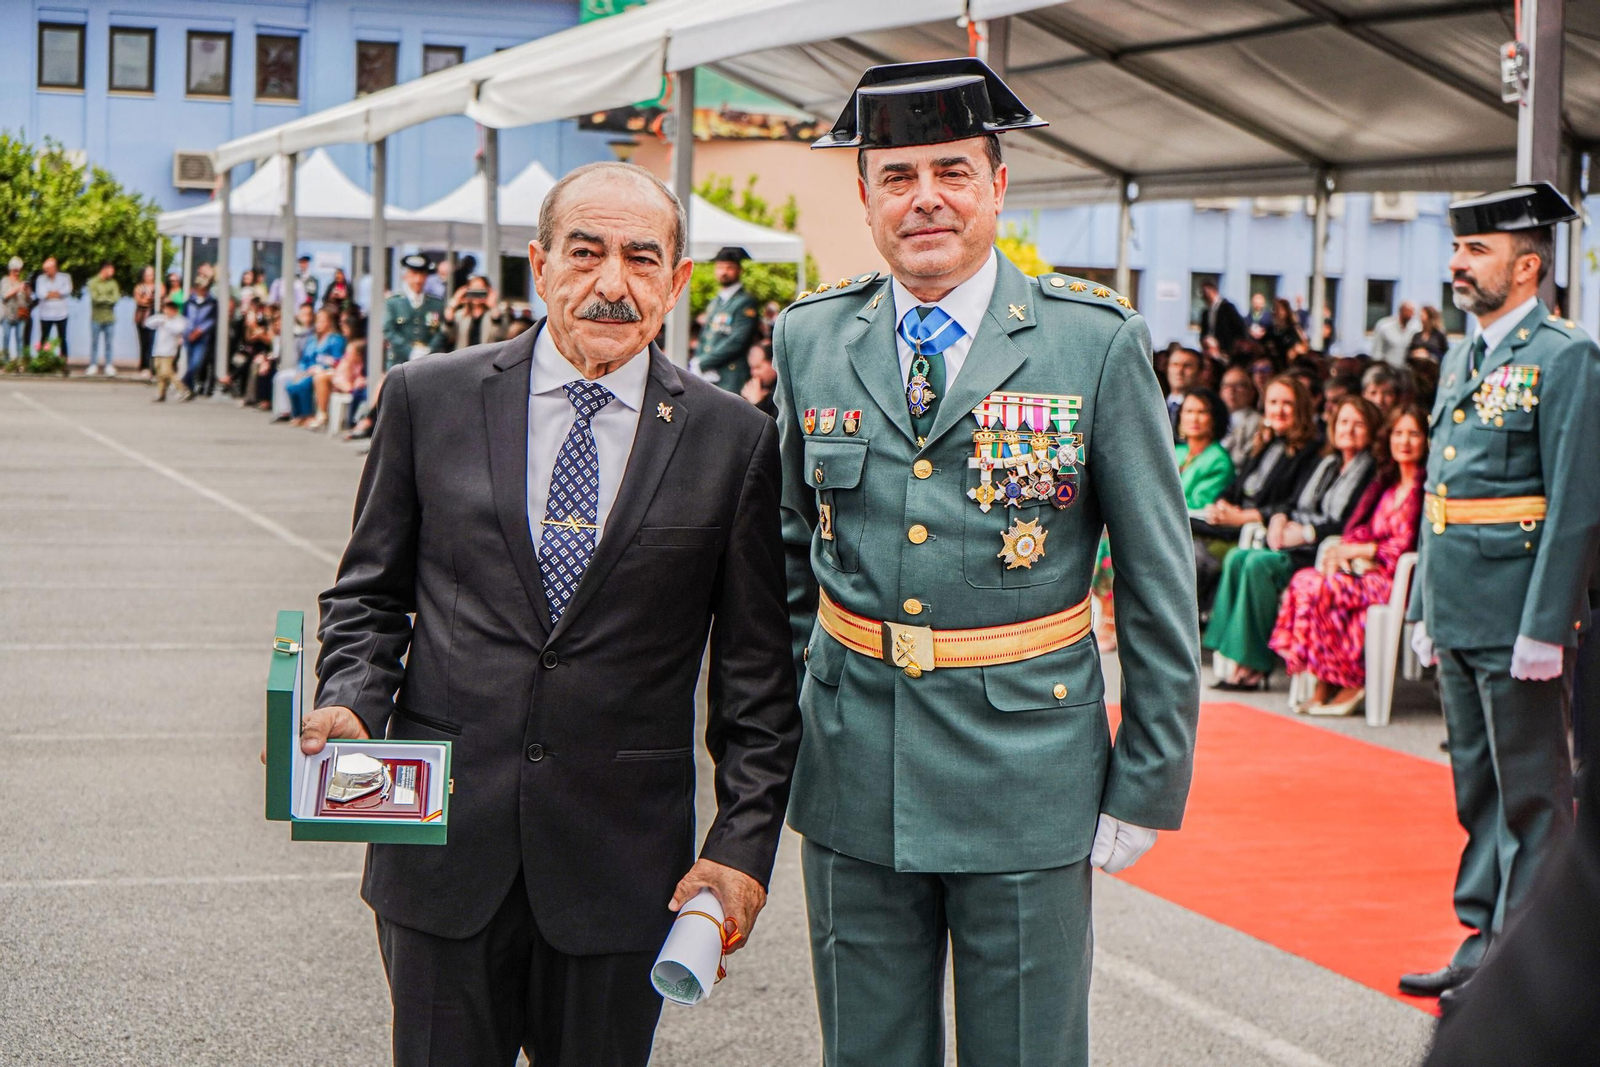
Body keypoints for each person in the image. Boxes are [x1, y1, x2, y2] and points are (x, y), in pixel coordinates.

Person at [303, 160, 800, 1066]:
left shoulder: (736, 440)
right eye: (585, 253)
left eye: (642, 259)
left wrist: (741, 846)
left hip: (622, 873)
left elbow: (758, 680)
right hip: (443, 857)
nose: (612, 284)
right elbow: (370, 595)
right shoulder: (429, 398)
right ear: (539, 264)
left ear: (679, 280)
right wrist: (351, 698)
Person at [776, 59, 1198, 1067]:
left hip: (1028, 772)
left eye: (952, 171)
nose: (925, 196)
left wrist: (1147, 775)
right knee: (866, 1050)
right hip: (853, 765)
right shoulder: (810, 338)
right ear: (866, 195)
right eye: (898, 174)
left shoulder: (1089, 340)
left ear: (997, 186)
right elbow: (789, 554)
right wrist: (804, 706)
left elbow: (1156, 580)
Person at [1400, 182, 1600, 1001]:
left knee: (1533, 791)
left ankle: (1528, 963)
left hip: (1521, 612)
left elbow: (1577, 498)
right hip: (1459, 604)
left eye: (1475, 250)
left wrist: (1547, 624)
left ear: (1527, 265)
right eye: (1456, 248)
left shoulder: (1565, 355)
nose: (1456, 263)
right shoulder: (1464, 352)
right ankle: (1483, 937)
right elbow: (1438, 491)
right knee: (1476, 785)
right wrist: (1421, 607)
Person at [1204, 396, 1379, 690]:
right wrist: (1280, 519)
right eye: (1344, 422)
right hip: (1293, 541)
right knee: (1237, 557)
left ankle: (1254, 665)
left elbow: (1349, 523)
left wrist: (1308, 533)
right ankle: (1227, 650)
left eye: (1358, 423)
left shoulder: (1370, 471)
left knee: (1258, 564)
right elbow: (1292, 502)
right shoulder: (1327, 463)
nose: (1349, 429)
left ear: (1372, 430)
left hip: (1319, 553)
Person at [1270, 404, 1426, 714]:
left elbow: (1407, 547)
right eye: (1398, 433)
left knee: (1320, 590)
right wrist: (1343, 552)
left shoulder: (1425, 487)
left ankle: (1343, 680)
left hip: (1396, 580)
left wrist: (1361, 552)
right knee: (1307, 580)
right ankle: (1326, 677)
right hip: (1365, 574)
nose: (1404, 441)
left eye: (1413, 434)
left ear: (1426, 441)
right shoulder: (1386, 484)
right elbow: (1360, 529)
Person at [1192, 375, 1323, 610]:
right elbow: (1234, 488)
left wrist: (1242, 517)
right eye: (1273, 403)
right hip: (1231, 521)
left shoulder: (1310, 452)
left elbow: (1290, 504)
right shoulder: (1265, 443)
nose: (1278, 410)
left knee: (1188, 545)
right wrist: (1221, 504)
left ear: (1300, 408)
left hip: (1256, 528)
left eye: (1287, 404)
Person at [692, 246, 761, 393]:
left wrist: (704, 362)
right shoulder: (715, 302)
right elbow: (706, 335)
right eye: (720, 267)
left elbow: (738, 340)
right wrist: (698, 359)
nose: (723, 272)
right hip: (709, 375)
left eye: (729, 267)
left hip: (731, 376)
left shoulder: (745, 302)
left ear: (739, 270)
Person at [283, 307, 345, 428]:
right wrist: (302, 371)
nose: (319, 324)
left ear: (329, 322)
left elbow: (337, 360)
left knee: (303, 385)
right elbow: (305, 359)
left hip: (323, 371)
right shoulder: (312, 339)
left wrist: (320, 367)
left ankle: (309, 415)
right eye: (317, 321)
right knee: (291, 385)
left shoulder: (336, 339)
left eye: (322, 321)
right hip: (308, 370)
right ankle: (299, 415)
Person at [382, 253, 447, 368]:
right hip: (399, 362)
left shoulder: (436, 303)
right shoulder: (393, 302)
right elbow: (388, 330)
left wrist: (429, 350)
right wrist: (409, 350)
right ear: (405, 276)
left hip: (428, 363)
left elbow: (441, 330)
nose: (418, 280)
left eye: (422, 275)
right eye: (414, 274)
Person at [443, 275, 512, 351]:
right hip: (465, 358)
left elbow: (502, 334)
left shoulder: (495, 314)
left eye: (480, 291)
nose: (476, 295)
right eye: (474, 291)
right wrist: (454, 303)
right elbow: (449, 334)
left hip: (486, 358)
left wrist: (493, 307)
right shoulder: (461, 315)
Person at [144, 294, 189, 402]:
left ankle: (183, 390)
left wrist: (167, 323)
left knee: (167, 371)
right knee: (159, 373)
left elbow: (178, 330)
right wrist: (161, 320)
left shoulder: (179, 320)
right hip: (158, 350)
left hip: (169, 351)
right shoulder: (161, 318)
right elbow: (148, 323)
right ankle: (161, 393)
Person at [181, 277, 218, 398]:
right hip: (189, 336)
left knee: (196, 363)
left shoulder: (212, 302)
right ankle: (189, 389)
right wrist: (188, 332)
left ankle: (183, 382)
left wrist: (199, 331)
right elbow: (184, 318)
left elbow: (212, 320)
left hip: (202, 337)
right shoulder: (189, 301)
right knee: (190, 362)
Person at [1219, 365, 1261, 467]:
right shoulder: (1213, 418)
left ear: (1252, 392)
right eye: (1226, 385)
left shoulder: (1258, 422)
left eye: (1239, 386)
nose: (1231, 390)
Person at [86, 261, 121, 376]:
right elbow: (95, 299)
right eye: (111, 269)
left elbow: (115, 299)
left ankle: (109, 365)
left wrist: (104, 299)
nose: (113, 272)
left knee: (109, 343)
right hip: (96, 318)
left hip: (110, 318)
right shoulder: (93, 282)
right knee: (94, 342)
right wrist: (107, 299)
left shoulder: (113, 283)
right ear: (104, 269)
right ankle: (93, 365)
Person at [33, 256, 72, 358]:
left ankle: (64, 360)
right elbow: (40, 294)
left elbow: (67, 290)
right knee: (44, 338)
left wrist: (50, 294)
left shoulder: (65, 277)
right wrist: (57, 294)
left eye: (48, 270)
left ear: (54, 268)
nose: (46, 272)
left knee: (62, 338)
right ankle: (42, 359)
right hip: (45, 315)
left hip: (61, 314)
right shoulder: (40, 279)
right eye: (45, 270)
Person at [1163, 346, 1201, 440]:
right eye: (1175, 365)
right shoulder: (1154, 405)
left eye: (1187, 366)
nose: (1179, 371)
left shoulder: (1207, 407)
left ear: (1200, 372)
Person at [1199, 279, 1245, 355]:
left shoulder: (1227, 308)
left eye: (1205, 292)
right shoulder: (1206, 312)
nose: (1203, 296)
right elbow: (1204, 331)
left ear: (1214, 291)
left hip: (1225, 350)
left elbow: (1240, 326)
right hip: (1209, 350)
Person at [1370, 299, 1419, 367]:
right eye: (1410, 312)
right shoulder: (1384, 326)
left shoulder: (1413, 329)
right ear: (1402, 311)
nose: (1412, 316)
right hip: (1387, 369)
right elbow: (1377, 351)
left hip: (1404, 371)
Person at [740, 340, 778, 417]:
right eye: (751, 368)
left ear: (773, 363)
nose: (754, 373)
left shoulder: (782, 389)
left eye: (758, 367)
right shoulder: (763, 387)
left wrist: (757, 404)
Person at [132, 266, 158, 377]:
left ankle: (152, 366)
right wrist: (149, 299)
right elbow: (140, 301)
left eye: (151, 274)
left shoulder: (158, 286)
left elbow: (159, 297)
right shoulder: (138, 287)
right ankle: (144, 366)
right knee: (144, 342)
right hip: (141, 318)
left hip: (154, 316)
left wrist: (147, 299)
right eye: (147, 275)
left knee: (153, 342)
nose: (149, 277)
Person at [1, 257, 28, 363]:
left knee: (20, 338)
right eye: (15, 270)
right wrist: (17, 288)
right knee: (6, 338)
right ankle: (6, 362)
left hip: (20, 314)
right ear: (11, 269)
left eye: (19, 270)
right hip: (7, 314)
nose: (17, 272)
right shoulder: (5, 280)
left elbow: (27, 300)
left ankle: (20, 362)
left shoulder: (21, 282)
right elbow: (4, 295)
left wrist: (27, 292)